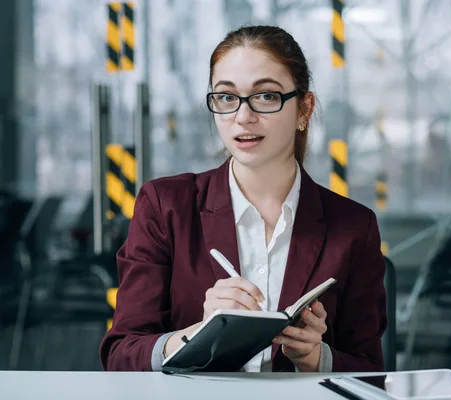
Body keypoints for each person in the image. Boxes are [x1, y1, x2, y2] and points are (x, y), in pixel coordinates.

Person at [99, 25, 387, 373]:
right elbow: (121, 354)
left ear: (303, 109)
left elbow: (370, 370)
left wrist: (315, 358)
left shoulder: (354, 226)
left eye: (266, 96)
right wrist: (198, 336)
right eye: (226, 97)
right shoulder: (166, 206)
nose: (243, 116)